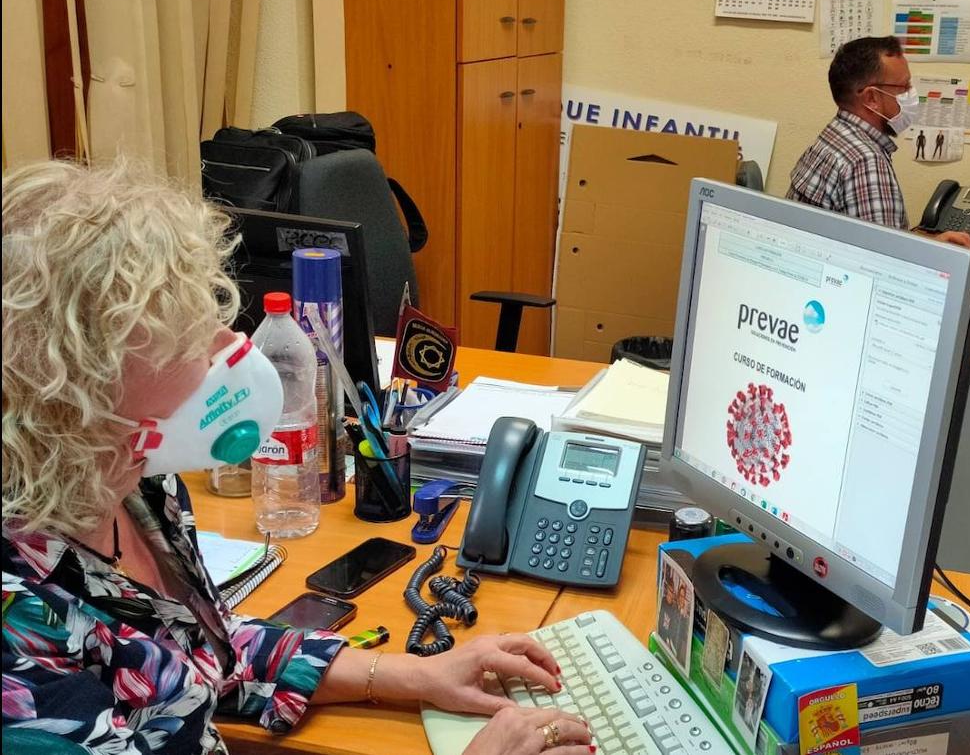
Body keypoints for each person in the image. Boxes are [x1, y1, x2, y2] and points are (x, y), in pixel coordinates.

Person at [1, 160, 592, 755]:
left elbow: (202, 654)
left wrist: (411, 674)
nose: (229, 344)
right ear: (72, 386)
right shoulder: (15, 629)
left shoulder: (138, 484)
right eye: (182, 335)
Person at [788, 36, 970, 302]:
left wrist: (927, 246)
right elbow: (886, 277)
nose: (911, 95)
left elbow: (873, 245)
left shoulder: (835, 136)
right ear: (871, 97)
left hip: (808, 289)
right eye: (903, 87)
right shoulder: (865, 161)